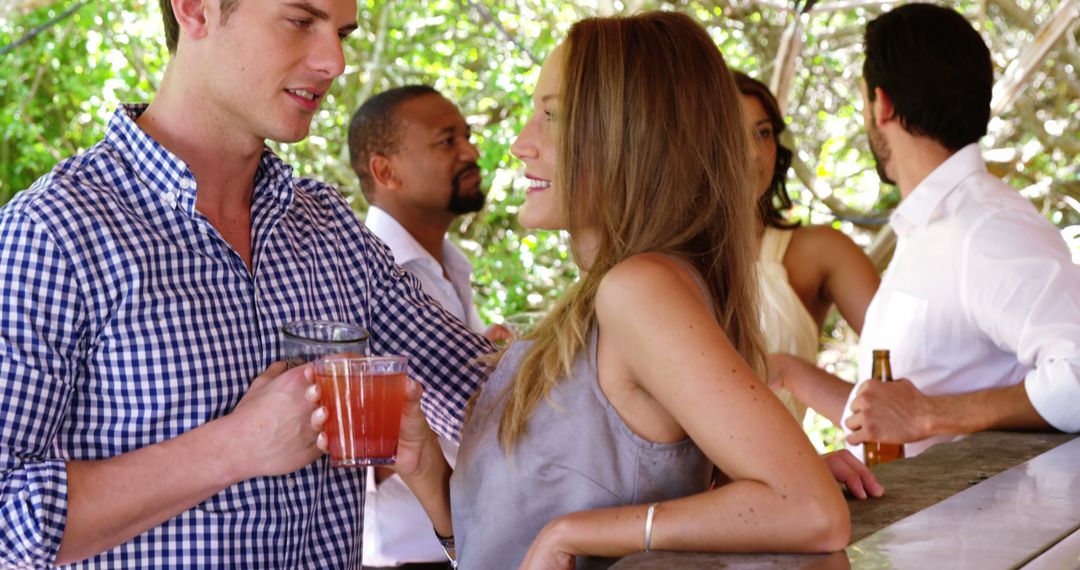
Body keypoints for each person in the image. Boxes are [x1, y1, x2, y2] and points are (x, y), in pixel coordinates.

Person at [0, 1, 492, 567]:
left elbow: (485, 397)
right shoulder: (52, 233)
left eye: (342, 33)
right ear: (196, 11)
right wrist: (233, 447)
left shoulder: (327, 227)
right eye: (301, 21)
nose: (333, 61)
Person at [352, 11, 850, 569]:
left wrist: (575, 532)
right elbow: (506, 542)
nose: (521, 144)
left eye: (552, 116)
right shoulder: (606, 297)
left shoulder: (639, 289)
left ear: (626, 136)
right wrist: (428, 474)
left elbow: (809, 507)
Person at [770, 3, 1080, 461]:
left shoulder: (986, 227)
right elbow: (895, 413)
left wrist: (930, 414)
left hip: (984, 528)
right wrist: (786, 371)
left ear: (882, 104)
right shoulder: (931, 229)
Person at [347, 85, 509, 569]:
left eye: (468, 136)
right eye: (446, 141)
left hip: (468, 545)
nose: (471, 152)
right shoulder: (357, 277)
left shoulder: (451, 265)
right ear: (385, 171)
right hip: (405, 556)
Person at [734, 71, 880, 423]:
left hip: (786, 473)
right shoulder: (658, 262)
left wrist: (790, 372)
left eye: (763, 133)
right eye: (732, 136)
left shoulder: (817, 251)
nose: (754, 154)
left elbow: (910, 377)